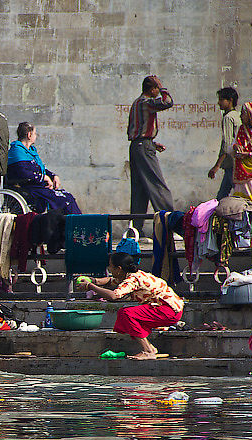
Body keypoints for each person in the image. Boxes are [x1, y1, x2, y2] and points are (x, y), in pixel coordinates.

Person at [79, 252, 184, 360]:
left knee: (127, 313)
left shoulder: (133, 280)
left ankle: (148, 351)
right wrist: (93, 280)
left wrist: (90, 286)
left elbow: (114, 296)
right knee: (125, 315)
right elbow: (111, 281)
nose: (109, 268)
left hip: (168, 310)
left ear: (119, 268)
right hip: (167, 309)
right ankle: (150, 348)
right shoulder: (128, 274)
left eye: (110, 266)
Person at [127, 75, 174, 231]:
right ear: (152, 89)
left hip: (137, 146)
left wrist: (152, 144)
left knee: (140, 189)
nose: (157, 92)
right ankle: (170, 224)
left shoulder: (136, 103)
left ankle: (135, 229)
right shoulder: (146, 102)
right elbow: (167, 102)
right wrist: (163, 88)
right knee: (157, 185)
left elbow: (138, 130)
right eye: (156, 89)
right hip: (143, 146)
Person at [6, 122, 81, 214]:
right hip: (28, 188)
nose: (36, 136)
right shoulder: (17, 151)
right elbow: (23, 173)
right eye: (35, 133)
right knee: (64, 200)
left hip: (37, 186)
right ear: (29, 135)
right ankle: (74, 225)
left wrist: (53, 176)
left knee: (67, 196)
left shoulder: (31, 151)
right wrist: (44, 177)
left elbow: (40, 169)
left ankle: (73, 224)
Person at [208, 87, 241, 201]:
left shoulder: (228, 118)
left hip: (231, 163)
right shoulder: (238, 115)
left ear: (230, 100)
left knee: (222, 196)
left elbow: (226, 145)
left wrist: (217, 166)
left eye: (221, 100)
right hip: (238, 162)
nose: (219, 103)